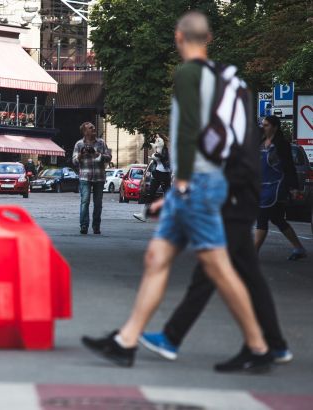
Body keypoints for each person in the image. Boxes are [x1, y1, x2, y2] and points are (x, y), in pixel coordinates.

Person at [81, 11, 272, 373]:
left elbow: (186, 131)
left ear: (179, 37)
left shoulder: (188, 74)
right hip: (202, 182)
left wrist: (180, 184)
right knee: (157, 258)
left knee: (217, 266)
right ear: (208, 39)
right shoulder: (220, 80)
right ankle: (126, 341)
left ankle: (259, 345)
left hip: (197, 184)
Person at [139, 113, 293, 366]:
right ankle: (275, 345)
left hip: (231, 213)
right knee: (251, 280)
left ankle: (173, 337)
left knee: (207, 276)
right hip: (238, 210)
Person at [255, 115, 307, 260]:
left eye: (266, 125)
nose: (263, 127)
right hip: (263, 186)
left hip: (276, 187)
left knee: (262, 217)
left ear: (275, 127)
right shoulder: (261, 143)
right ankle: (299, 248)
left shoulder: (281, 144)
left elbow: (289, 166)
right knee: (278, 219)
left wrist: (294, 187)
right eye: (263, 125)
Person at [72, 123, 111, 234]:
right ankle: (84, 226)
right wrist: (81, 154)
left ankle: (96, 226)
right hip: (85, 177)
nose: (94, 129)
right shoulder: (79, 144)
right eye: (90, 128)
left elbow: (109, 157)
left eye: (94, 127)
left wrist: (99, 154)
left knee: (98, 203)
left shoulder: (101, 143)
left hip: (99, 177)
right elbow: (74, 161)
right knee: (85, 201)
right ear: (85, 132)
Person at [134, 134, 172, 222]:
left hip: (163, 174)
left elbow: (163, 158)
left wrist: (157, 156)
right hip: (158, 174)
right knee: (151, 194)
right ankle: (143, 214)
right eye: (155, 137)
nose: (156, 139)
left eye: (157, 137)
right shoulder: (158, 148)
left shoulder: (165, 150)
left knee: (167, 195)